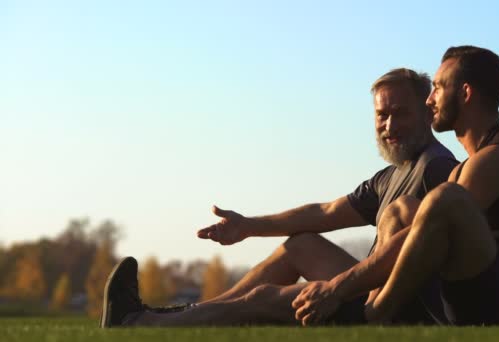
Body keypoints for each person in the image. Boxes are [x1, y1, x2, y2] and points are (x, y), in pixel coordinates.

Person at [100, 68, 458, 327]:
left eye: (401, 114)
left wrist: (336, 289)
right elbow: (325, 212)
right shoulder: (392, 175)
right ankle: (186, 314)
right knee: (299, 245)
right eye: (382, 115)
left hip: (393, 302)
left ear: (427, 113)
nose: (390, 126)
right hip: (367, 286)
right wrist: (247, 227)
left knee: (261, 300)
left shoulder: (437, 169)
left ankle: (140, 325)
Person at [294, 46, 499, 326]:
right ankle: (374, 306)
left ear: (465, 93)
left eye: (437, 88)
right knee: (401, 210)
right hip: (468, 295)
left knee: (445, 199)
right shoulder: (467, 166)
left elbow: (430, 224)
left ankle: (373, 315)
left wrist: (337, 287)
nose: (429, 100)